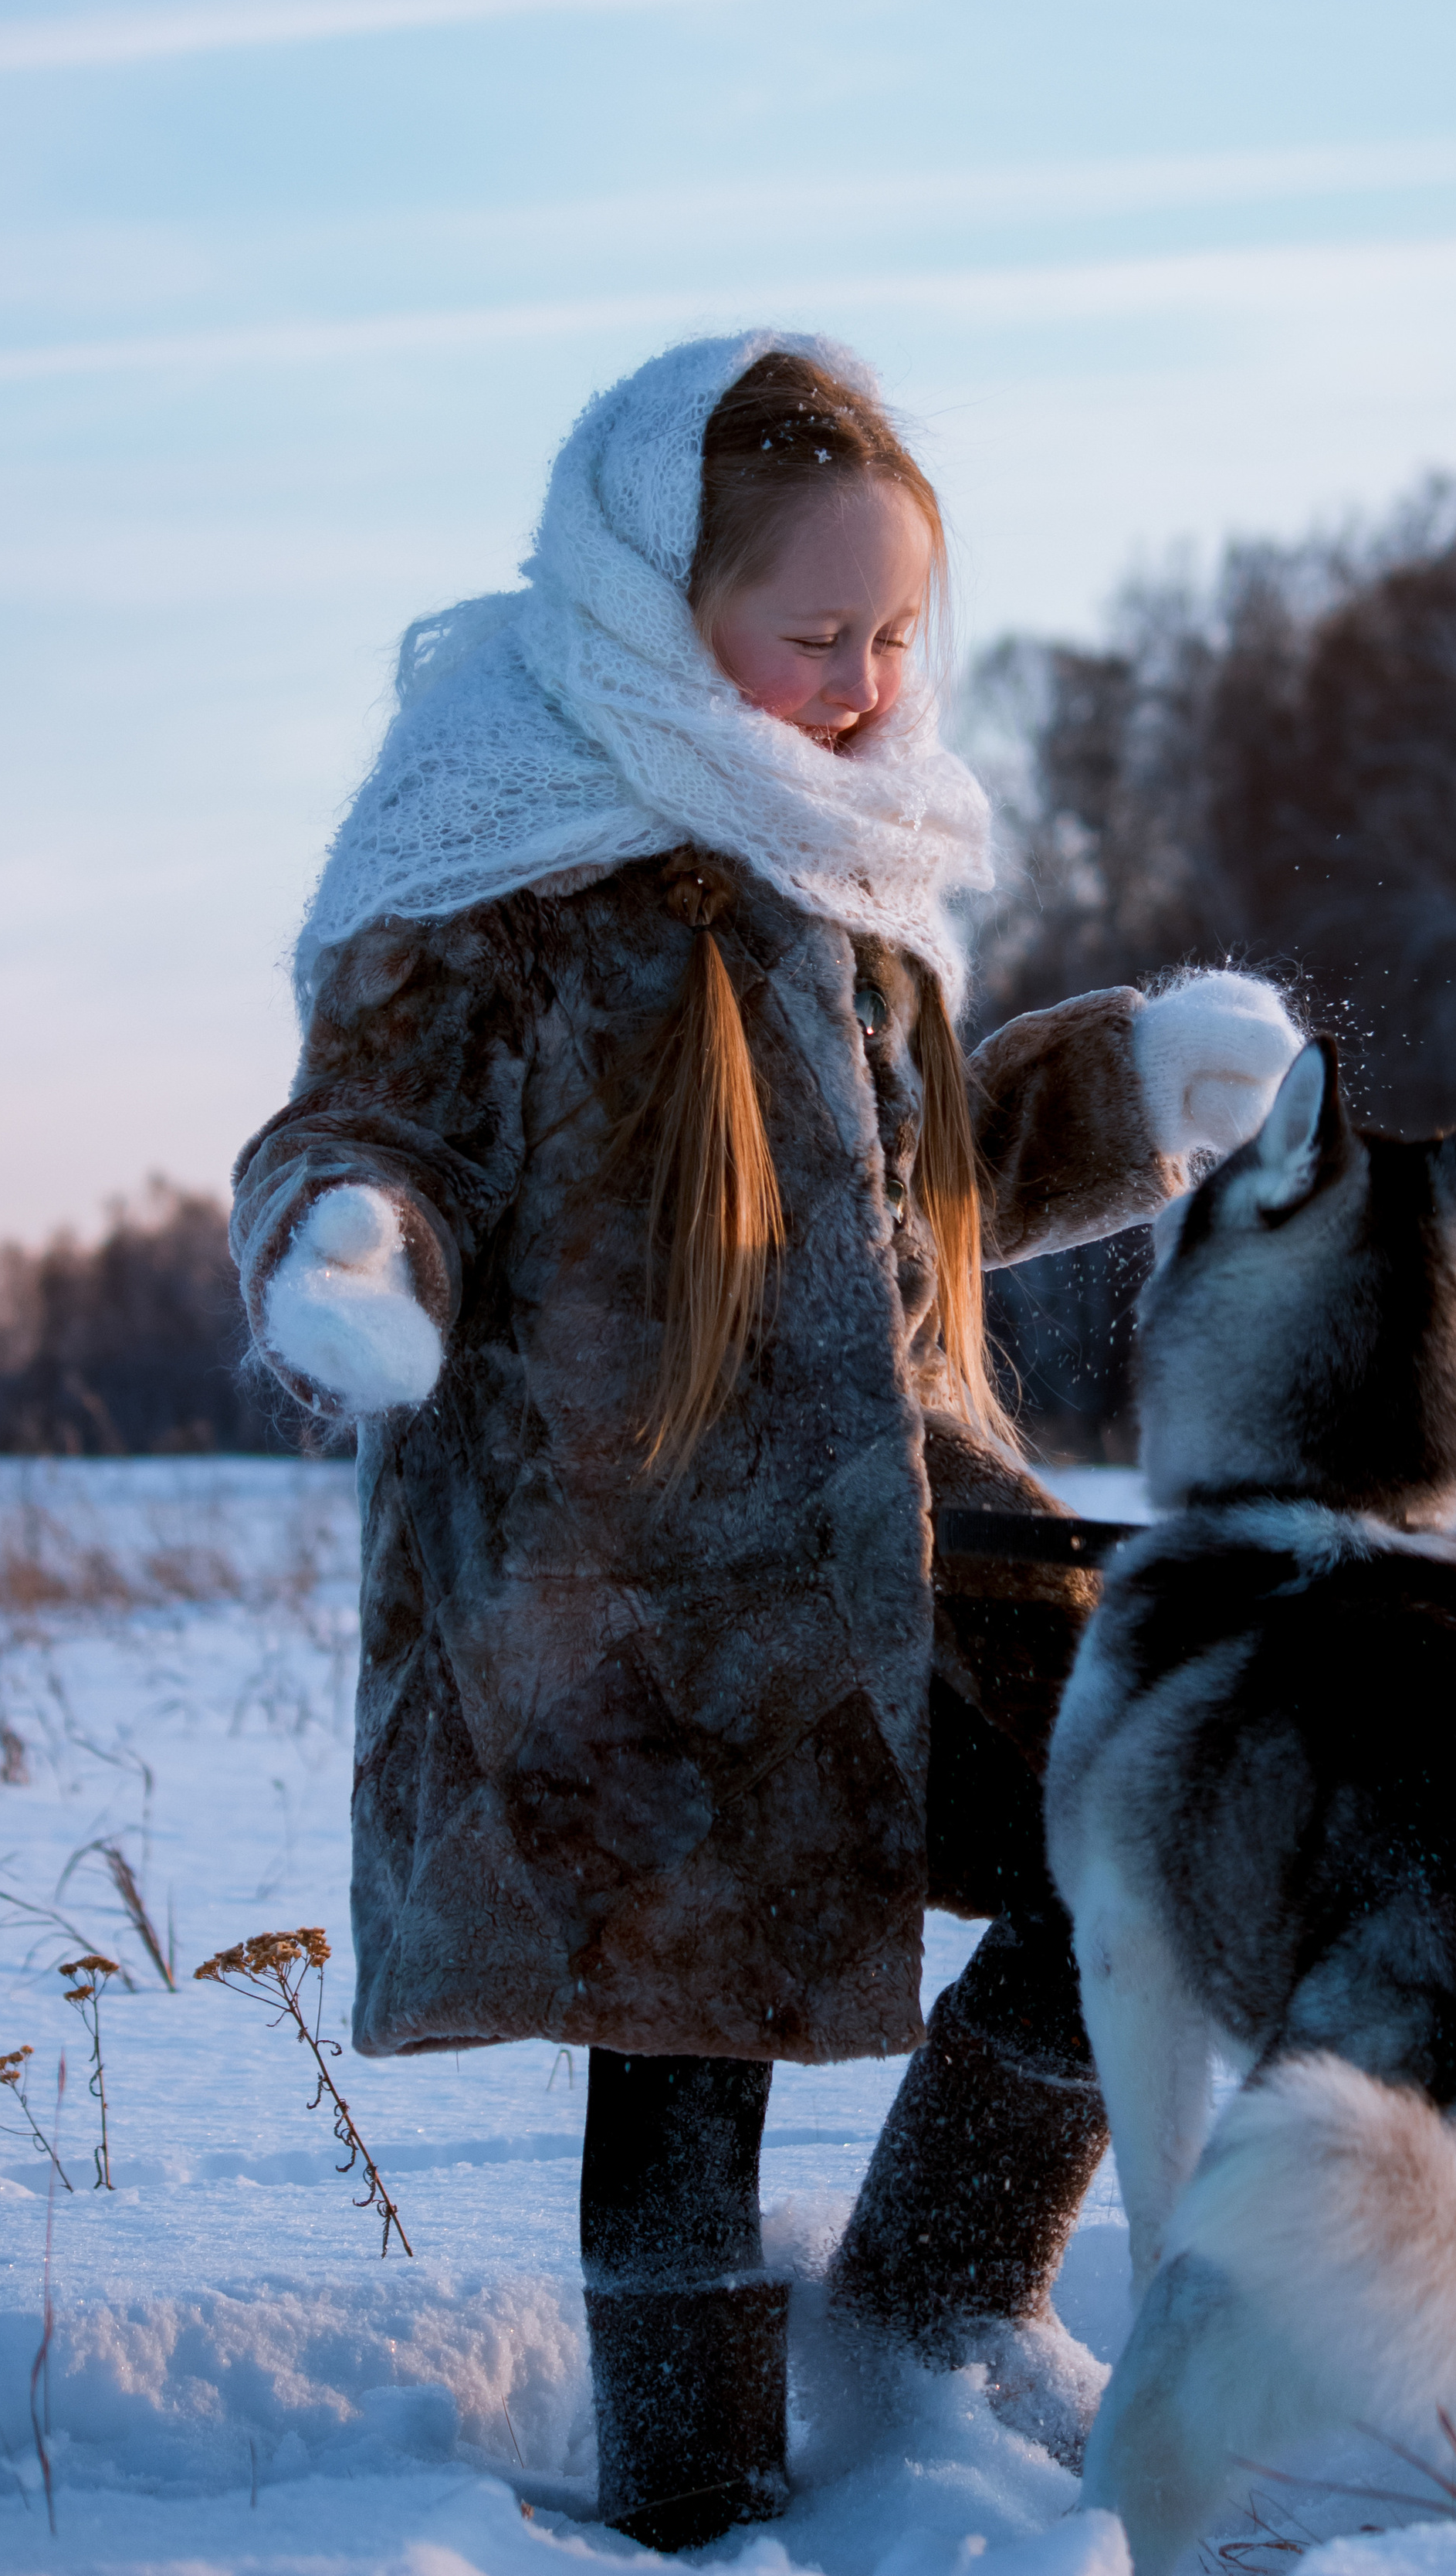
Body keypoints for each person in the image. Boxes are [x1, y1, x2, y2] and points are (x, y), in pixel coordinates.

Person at [232, 331, 1301, 2546]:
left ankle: (932, 2292)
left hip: (891, 1540)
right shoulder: (499, 860)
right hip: (613, 1582)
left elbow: (920, 1184)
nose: (866, 686)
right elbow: (373, 1127)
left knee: (1157, 1806)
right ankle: (695, 2488)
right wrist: (351, 1248)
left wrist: (1123, 1093)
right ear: (655, 604)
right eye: (813, 636)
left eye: (898, 634)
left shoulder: (847, 865)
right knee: (684, 2026)